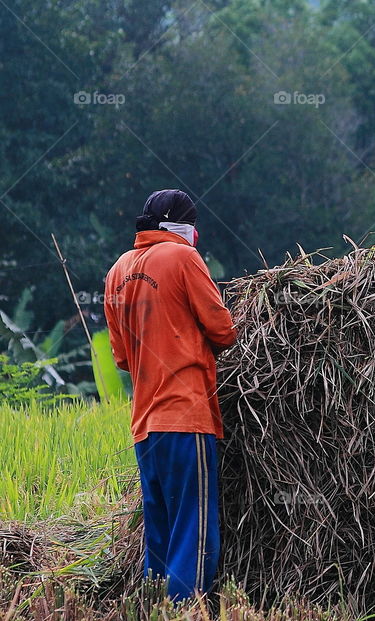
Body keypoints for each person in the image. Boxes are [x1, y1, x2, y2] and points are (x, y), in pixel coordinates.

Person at [103, 189, 237, 601]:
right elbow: (223, 330)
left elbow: (122, 358)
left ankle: (153, 607)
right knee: (193, 533)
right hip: (185, 417)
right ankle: (186, 609)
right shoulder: (182, 257)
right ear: (181, 226)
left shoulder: (117, 271)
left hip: (145, 426)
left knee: (159, 533)